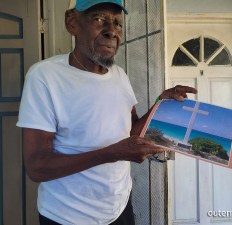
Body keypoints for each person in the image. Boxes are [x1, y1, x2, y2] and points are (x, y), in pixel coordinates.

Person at [17, 0, 197, 224]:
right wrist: (113, 153)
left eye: (117, 23)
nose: (112, 31)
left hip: (119, 208)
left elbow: (131, 131)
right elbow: (37, 167)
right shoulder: (45, 77)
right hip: (68, 216)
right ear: (72, 22)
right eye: (99, 19)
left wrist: (161, 104)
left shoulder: (119, 75)